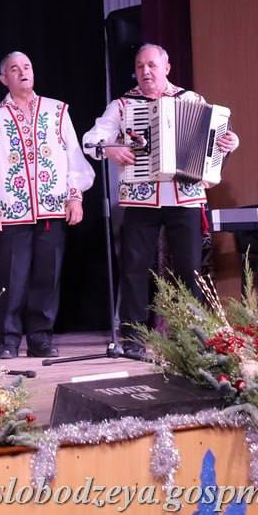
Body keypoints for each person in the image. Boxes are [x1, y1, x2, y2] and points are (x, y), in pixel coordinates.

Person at [82, 43, 239, 346]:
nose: (145, 71)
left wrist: (231, 142)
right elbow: (92, 140)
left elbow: (217, 139)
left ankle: (192, 337)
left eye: (151, 65)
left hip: (185, 195)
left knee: (190, 269)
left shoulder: (191, 100)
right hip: (141, 197)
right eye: (140, 66)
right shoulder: (123, 105)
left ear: (166, 68)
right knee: (134, 268)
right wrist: (112, 149)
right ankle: (134, 336)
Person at [0, 51, 94, 359]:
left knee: (47, 277)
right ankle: (8, 340)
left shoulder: (56, 111)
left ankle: (40, 338)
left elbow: (74, 156)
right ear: (4, 79)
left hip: (52, 208)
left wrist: (75, 196)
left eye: (26, 66)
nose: (22, 72)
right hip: (10, 210)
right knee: (11, 278)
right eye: (14, 69)